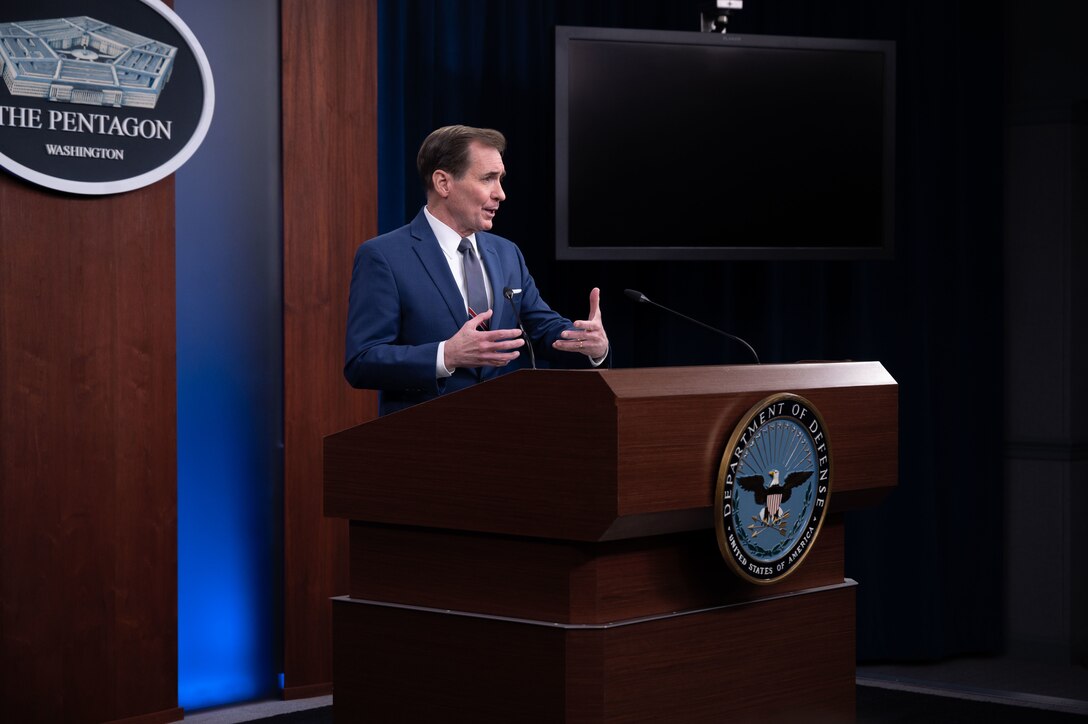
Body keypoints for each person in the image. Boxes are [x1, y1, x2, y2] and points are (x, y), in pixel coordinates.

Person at [344, 125, 609, 415]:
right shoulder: (384, 256)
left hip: (504, 433)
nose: (501, 194)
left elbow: (543, 329)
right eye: (487, 179)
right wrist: (446, 355)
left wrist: (589, 343)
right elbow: (362, 361)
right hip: (425, 439)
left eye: (500, 179)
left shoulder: (506, 253)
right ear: (444, 183)